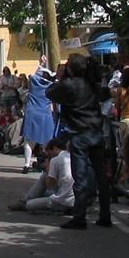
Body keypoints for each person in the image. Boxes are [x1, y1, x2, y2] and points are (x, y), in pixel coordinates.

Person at [47, 54, 111, 230]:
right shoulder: (91, 83)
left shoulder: (69, 85)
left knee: (80, 177)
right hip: (96, 132)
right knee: (101, 176)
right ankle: (105, 214)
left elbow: (50, 92)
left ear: (70, 68)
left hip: (80, 133)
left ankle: (80, 217)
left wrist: (60, 78)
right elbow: (104, 94)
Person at [7, 137, 75, 214]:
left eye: (48, 152)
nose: (47, 155)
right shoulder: (74, 157)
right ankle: (26, 200)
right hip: (74, 198)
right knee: (44, 188)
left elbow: (50, 185)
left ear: (54, 148)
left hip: (63, 202)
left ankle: (56, 210)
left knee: (30, 205)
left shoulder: (55, 160)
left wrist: (47, 167)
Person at [21, 62, 56, 174]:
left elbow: (33, 75)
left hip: (32, 114)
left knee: (28, 141)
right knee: (46, 142)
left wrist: (41, 64)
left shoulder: (34, 83)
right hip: (45, 115)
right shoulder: (51, 87)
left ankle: (26, 164)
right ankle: (47, 166)